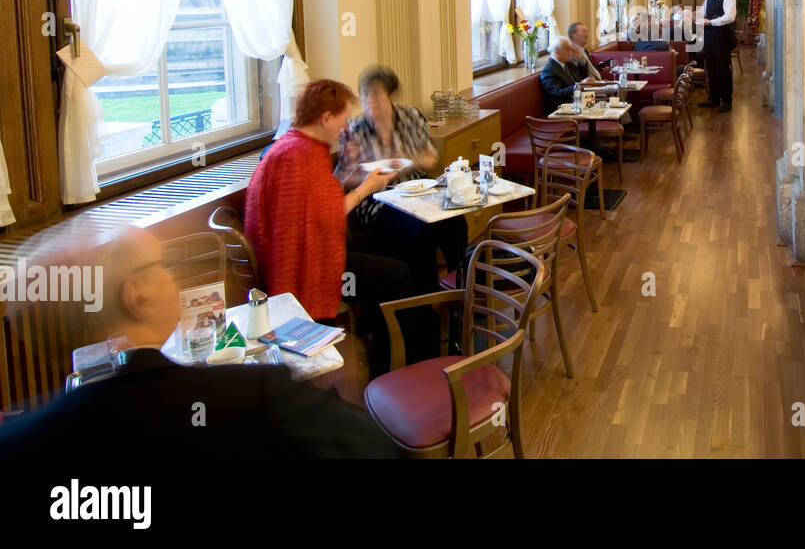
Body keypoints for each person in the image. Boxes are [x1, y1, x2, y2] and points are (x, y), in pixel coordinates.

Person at [0, 224, 397, 458]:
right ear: (137, 295)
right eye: (163, 266)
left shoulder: (18, 441)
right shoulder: (257, 396)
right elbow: (374, 451)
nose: (172, 277)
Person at [244, 79, 416, 375]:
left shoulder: (291, 143)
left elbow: (314, 206)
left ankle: (387, 342)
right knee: (397, 276)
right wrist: (366, 188)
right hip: (309, 262)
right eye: (343, 119)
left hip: (310, 246)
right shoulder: (302, 156)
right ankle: (387, 371)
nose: (345, 128)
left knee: (396, 242)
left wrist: (350, 174)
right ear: (325, 117)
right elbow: (328, 216)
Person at [336, 66, 468, 307]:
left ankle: (462, 293)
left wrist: (404, 159)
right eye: (365, 97)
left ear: (391, 97)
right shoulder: (354, 130)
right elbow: (343, 183)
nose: (370, 104)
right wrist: (354, 165)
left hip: (417, 189)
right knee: (421, 230)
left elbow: (430, 158)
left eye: (377, 96)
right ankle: (424, 305)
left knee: (455, 220)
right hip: (377, 200)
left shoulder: (411, 117)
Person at [696, 0, 737, 112]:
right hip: (709, 37)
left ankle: (726, 100)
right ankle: (713, 98)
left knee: (723, 69)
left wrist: (711, 22)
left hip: (722, 38)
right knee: (711, 68)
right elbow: (703, 11)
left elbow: (730, 17)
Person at [539, 36, 582, 114]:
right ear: (557, 51)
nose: (571, 52)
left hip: (576, 103)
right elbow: (556, 94)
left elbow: (580, 78)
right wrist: (579, 86)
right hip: (560, 110)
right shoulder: (549, 70)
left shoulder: (568, 65)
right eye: (567, 49)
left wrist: (579, 58)